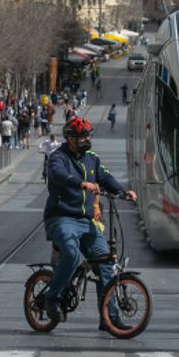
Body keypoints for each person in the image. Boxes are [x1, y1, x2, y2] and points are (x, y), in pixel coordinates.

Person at [42, 117, 137, 329]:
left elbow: (106, 177)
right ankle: (52, 297)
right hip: (61, 217)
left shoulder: (91, 158)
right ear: (70, 138)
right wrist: (81, 183)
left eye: (87, 135)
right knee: (72, 253)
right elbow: (58, 175)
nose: (86, 140)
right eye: (81, 136)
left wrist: (123, 192)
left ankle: (109, 318)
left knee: (105, 264)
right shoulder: (58, 157)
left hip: (85, 220)